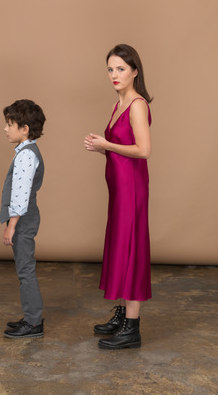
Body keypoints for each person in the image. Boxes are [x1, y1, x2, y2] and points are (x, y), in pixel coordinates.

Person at [84, 44, 153, 349]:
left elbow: (143, 150)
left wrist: (107, 146)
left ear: (135, 71)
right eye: (110, 69)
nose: (114, 75)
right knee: (121, 246)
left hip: (132, 189)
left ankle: (132, 328)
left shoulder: (136, 104)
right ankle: (124, 315)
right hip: (119, 188)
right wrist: (103, 147)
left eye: (120, 69)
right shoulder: (119, 104)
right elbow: (119, 150)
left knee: (132, 248)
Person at [0, 99, 46, 339]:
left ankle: (34, 323)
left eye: (10, 124)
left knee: (25, 270)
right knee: (24, 269)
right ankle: (31, 317)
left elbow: (20, 194)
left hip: (23, 221)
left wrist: (11, 226)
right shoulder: (27, 152)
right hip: (26, 218)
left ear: (24, 128)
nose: (6, 129)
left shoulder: (26, 156)